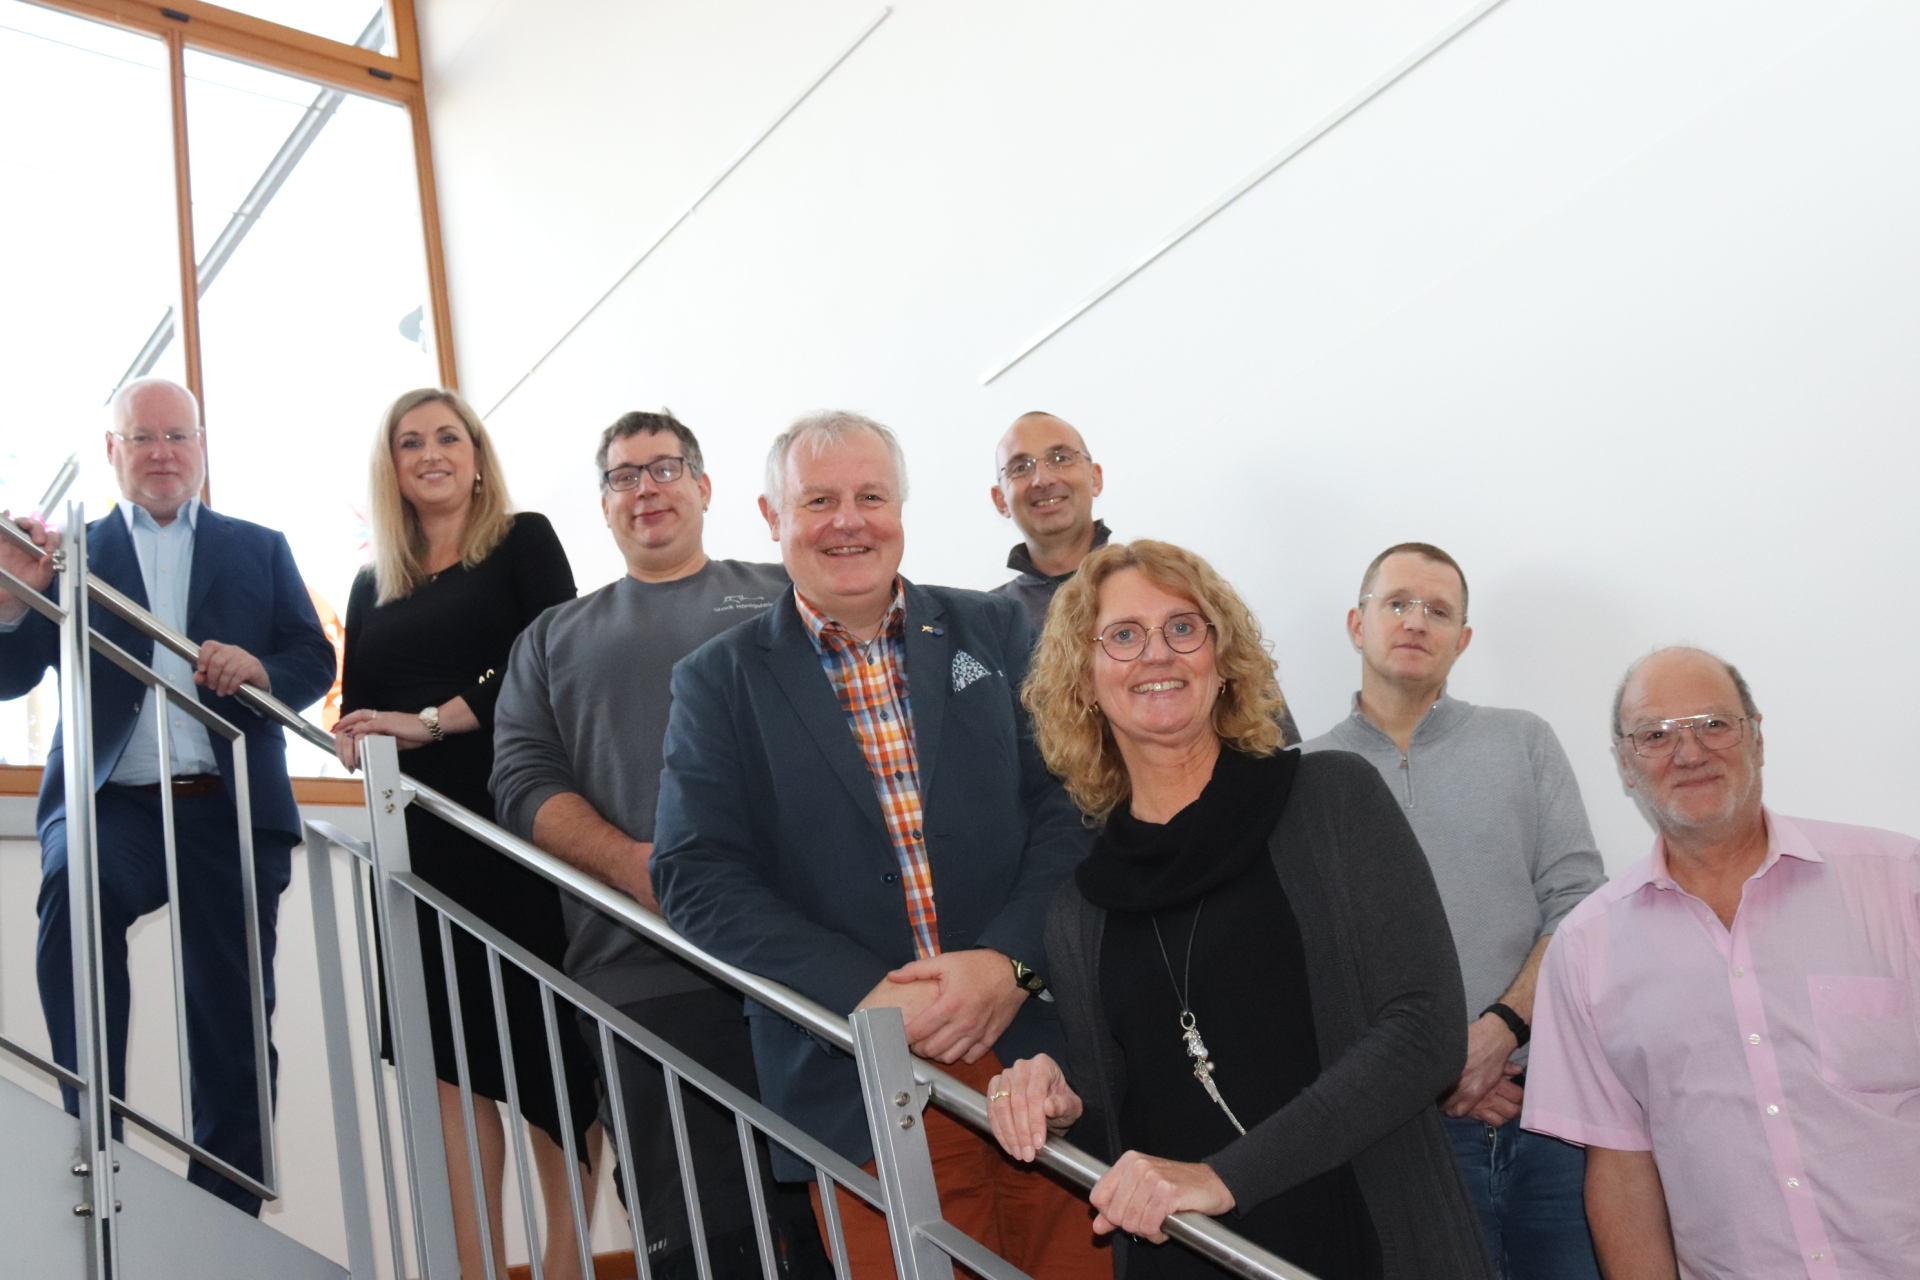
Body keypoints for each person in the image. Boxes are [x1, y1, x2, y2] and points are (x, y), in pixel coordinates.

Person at [651, 411, 1106, 1280]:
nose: (848, 522)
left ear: (900, 507)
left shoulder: (998, 630)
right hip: (854, 1080)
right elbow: (694, 875)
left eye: (871, 497)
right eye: (818, 500)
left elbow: (1071, 806)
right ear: (772, 516)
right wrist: (866, 999)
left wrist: (1008, 963)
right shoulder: (717, 680)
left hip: (1037, 1051)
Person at [987, 539, 1491, 1280]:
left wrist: (1226, 1176)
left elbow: (1424, 1031)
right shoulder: (1079, 908)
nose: (1158, 653)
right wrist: (1058, 1105)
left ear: (1222, 660)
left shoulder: (1331, 799)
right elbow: (1117, 1126)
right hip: (1189, 1262)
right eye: (1123, 635)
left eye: (1183, 628)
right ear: (1085, 681)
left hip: (1365, 1242)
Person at [491, 410, 823, 1278]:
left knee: (839, 1227)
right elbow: (522, 786)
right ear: (604, 504)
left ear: (704, 488)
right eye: (624, 476)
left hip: (811, 970)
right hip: (642, 975)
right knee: (702, 1242)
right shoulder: (552, 638)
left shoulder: (791, 592)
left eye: (665, 468)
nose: (646, 489)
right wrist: (634, 869)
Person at [0, 377, 335, 1215]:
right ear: (112, 451)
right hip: (114, 802)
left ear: (201, 448)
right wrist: (11, 603)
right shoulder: (68, 555)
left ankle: (224, 1217)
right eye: (142, 438)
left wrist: (262, 671)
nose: (161, 453)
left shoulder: (259, 547)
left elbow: (313, 658)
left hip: (228, 803)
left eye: (177, 436)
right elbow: (11, 675)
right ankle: (95, 1146)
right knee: (75, 888)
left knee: (231, 1019)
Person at [1524, 647, 1920, 1279]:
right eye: (1656, 735)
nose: (1689, 753)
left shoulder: (1900, 884)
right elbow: (1621, 1173)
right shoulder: (1585, 949)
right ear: (1625, 765)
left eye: (1713, 724)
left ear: (1757, 737)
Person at [331, 387, 597, 1280]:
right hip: (417, 841)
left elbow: (550, 653)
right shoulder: (371, 582)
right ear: (392, 467)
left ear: (477, 456)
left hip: (513, 819)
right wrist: (360, 734)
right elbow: (360, 705)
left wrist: (430, 721)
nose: (432, 453)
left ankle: (567, 1263)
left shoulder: (522, 541)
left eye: (449, 436)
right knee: (447, 1060)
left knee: (548, 1052)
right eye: (411, 442)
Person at [1300, 543, 1605, 1279]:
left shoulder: (1523, 740)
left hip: (1547, 1111)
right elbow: (1304, 962)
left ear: (1462, 640)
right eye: (1397, 603)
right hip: (1399, 1131)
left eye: (1438, 611)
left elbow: (1581, 906)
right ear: (1357, 623)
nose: (1416, 622)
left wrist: (1499, 1032)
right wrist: (1426, 1072)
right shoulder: (1300, 776)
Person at [989, 410, 1299, 745]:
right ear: (1000, 499)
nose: (1043, 478)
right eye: (1020, 467)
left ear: (1095, 477)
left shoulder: (1176, 581)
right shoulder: (989, 626)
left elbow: (1258, 712)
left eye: (1061, 458)